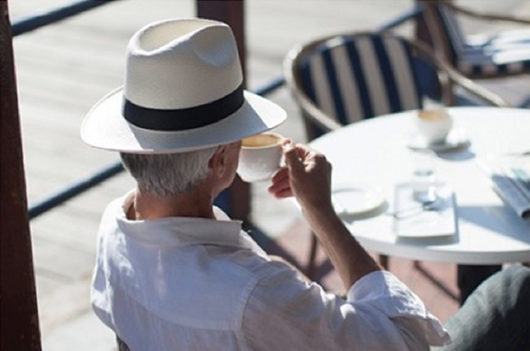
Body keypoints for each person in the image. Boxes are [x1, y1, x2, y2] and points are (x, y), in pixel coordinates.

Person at [82, 18, 530, 351]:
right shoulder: (254, 294)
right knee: (512, 292)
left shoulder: (114, 230)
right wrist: (320, 212)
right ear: (221, 159)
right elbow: (405, 339)